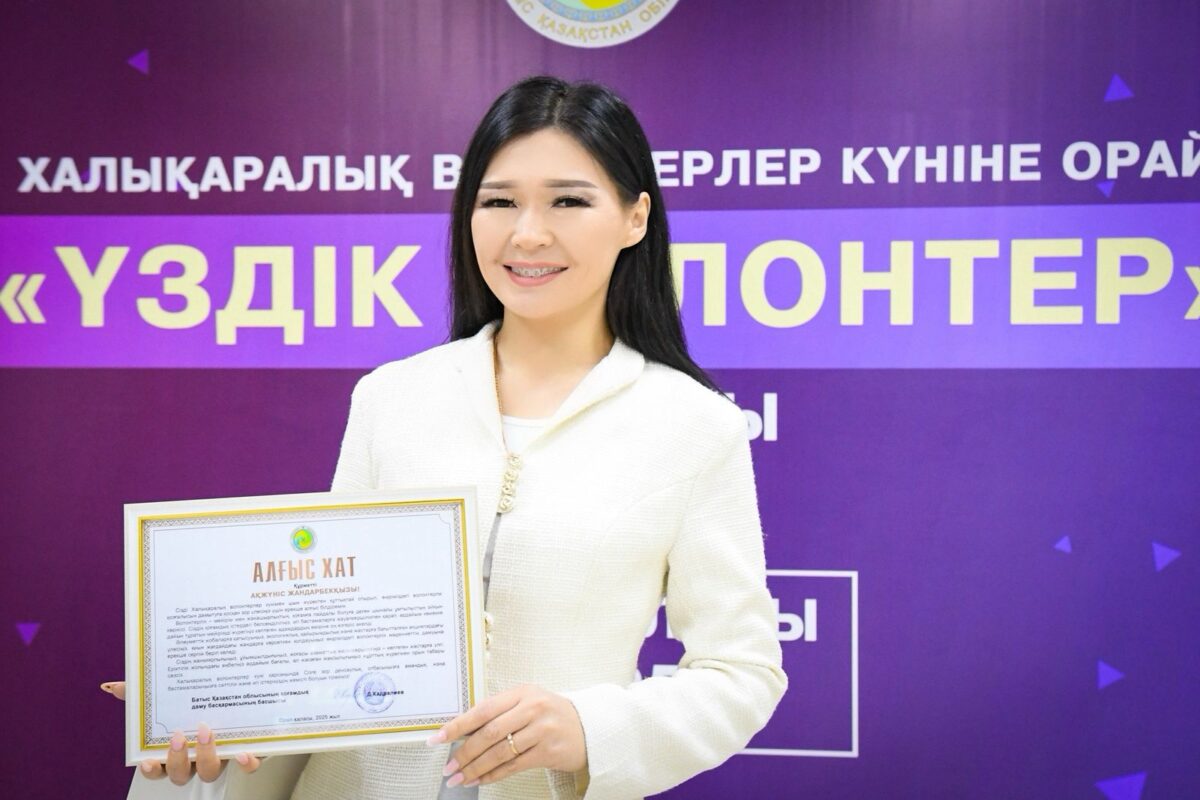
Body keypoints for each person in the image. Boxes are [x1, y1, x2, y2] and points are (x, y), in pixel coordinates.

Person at [106, 75, 786, 800]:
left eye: (568, 201)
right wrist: (228, 717)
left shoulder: (693, 425)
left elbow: (740, 671)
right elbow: (324, 637)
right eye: (499, 202)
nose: (528, 233)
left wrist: (591, 729)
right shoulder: (393, 396)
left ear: (634, 217)